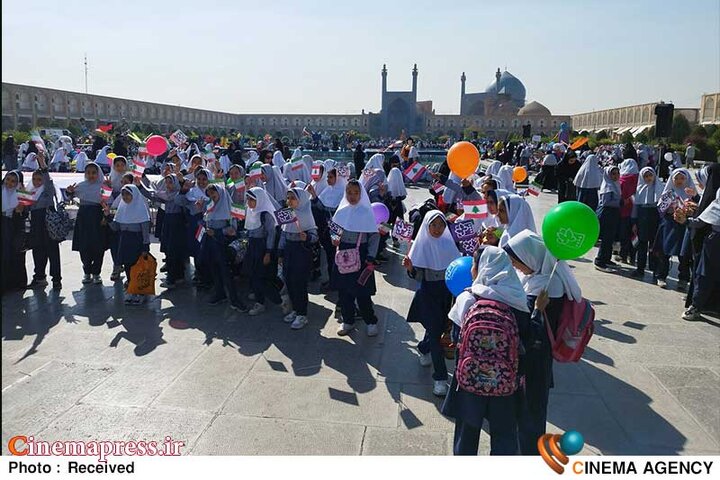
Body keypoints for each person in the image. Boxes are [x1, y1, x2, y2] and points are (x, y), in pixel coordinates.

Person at [442, 246, 530, 455]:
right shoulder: (518, 300)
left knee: (467, 434)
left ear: (479, 267)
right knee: (504, 435)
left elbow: (456, 338)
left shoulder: (468, 298)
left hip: (470, 381)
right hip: (506, 383)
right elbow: (524, 343)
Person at [503, 229, 582, 454]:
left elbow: (531, 326)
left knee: (532, 409)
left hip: (535, 357)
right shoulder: (536, 278)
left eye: (516, 261)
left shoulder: (548, 285)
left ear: (530, 257)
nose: (515, 266)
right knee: (528, 407)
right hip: (534, 354)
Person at [403, 211, 461, 396]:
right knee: (436, 334)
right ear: (427, 226)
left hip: (446, 296)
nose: (436, 229)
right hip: (428, 295)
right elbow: (418, 276)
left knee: (437, 330)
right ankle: (441, 378)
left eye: (440, 225)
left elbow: (456, 272)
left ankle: (423, 347)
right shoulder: (422, 244)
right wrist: (411, 268)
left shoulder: (448, 244)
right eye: (433, 225)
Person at [332, 180, 380, 337]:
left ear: (361, 194)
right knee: (344, 292)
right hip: (343, 254)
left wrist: (371, 256)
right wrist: (334, 239)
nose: (352, 196)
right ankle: (348, 320)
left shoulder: (366, 212)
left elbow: (374, 236)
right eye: (349, 193)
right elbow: (334, 229)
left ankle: (370, 321)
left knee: (362, 292)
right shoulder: (341, 211)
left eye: (355, 193)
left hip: (362, 254)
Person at [680, 164, 720, 320]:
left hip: (715, 240)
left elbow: (703, 220)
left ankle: (696, 307)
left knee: (705, 273)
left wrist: (685, 220)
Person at [136, 174, 188, 289]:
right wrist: (140, 186)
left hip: (177, 224)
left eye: (170, 182)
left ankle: (173, 278)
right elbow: (152, 194)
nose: (168, 185)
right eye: (167, 182)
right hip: (169, 222)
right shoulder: (166, 195)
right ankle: (177, 276)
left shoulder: (182, 194)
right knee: (170, 249)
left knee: (174, 250)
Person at [201, 184, 247, 313]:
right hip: (210, 244)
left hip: (222, 245)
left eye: (214, 195)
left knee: (226, 273)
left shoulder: (229, 208)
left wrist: (217, 232)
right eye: (209, 195)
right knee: (214, 270)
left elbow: (233, 229)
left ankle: (234, 299)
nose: (212, 197)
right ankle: (220, 294)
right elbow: (206, 221)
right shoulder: (210, 207)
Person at [279, 187, 318, 329]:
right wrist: (280, 253)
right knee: (289, 281)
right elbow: (283, 234)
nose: (289, 201)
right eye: (288, 198)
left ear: (300, 200)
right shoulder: (287, 214)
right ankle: (295, 309)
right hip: (289, 251)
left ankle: (302, 314)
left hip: (301, 253)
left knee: (299, 283)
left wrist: (307, 237)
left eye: (293, 198)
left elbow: (314, 236)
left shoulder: (306, 214)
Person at [105, 185, 151, 305]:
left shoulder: (141, 209)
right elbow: (115, 227)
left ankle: (141, 292)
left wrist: (145, 246)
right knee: (128, 267)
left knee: (138, 268)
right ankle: (131, 290)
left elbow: (145, 231)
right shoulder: (122, 208)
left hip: (137, 242)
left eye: (128, 194)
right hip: (124, 241)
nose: (125, 197)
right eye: (123, 194)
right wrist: (107, 216)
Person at [653, 169, 698, 289]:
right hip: (669, 224)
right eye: (676, 178)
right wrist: (670, 209)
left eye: (682, 178)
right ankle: (661, 276)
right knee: (664, 251)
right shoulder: (668, 192)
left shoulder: (691, 193)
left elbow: (698, 209)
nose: (679, 181)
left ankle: (683, 278)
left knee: (684, 254)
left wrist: (689, 210)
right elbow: (660, 210)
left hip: (685, 226)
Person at [65, 162, 108, 284]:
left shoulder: (103, 186)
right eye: (88, 173)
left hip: (97, 216)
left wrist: (105, 217)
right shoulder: (81, 186)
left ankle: (96, 273)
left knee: (98, 246)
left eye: (94, 173)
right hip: (83, 217)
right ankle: (87, 271)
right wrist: (69, 191)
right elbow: (69, 197)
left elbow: (108, 202)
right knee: (84, 246)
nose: (91, 175)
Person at [245, 187, 282, 316]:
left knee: (260, 276)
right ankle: (258, 295)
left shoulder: (265, 214)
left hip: (262, 248)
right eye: (248, 199)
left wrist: (268, 252)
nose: (249, 202)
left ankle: (268, 302)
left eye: (252, 199)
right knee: (252, 273)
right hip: (253, 246)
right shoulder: (251, 211)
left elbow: (271, 234)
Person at [27, 152, 62, 290]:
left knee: (53, 253)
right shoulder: (30, 193)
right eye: (34, 179)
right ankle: (39, 277)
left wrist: (42, 164)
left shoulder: (47, 192)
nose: (36, 182)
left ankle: (56, 279)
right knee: (38, 252)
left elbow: (48, 180)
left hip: (48, 226)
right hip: (36, 227)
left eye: (39, 179)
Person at [630, 167, 663, 278]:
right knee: (642, 245)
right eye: (646, 176)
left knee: (655, 246)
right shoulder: (640, 189)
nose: (649, 178)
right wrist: (634, 222)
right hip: (642, 219)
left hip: (655, 219)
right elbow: (636, 207)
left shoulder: (659, 187)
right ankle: (640, 269)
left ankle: (656, 272)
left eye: (650, 175)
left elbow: (663, 205)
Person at [2, 170, 28, 293]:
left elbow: (24, 213)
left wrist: (22, 195)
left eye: (13, 181)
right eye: (8, 180)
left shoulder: (21, 194)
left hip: (14, 228)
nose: (9, 183)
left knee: (12, 255)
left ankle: (14, 284)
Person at [594, 166, 622, 272]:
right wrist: (620, 202)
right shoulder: (607, 186)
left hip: (613, 213)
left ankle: (606, 259)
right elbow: (606, 202)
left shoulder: (615, 185)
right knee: (606, 238)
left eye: (617, 173)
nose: (616, 176)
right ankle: (600, 261)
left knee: (610, 238)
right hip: (607, 213)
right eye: (613, 174)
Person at [617, 157, 640, 264]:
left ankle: (623, 256)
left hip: (624, 212)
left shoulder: (621, 180)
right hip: (636, 212)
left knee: (624, 235)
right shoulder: (640, 179)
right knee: (634, 235)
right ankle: (633, 257)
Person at [386, 166, 407, 247]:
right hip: (398, 206)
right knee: (397, 223)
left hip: (388, 206)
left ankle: (384, 238)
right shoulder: (400, 182)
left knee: (387, 222)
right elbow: (403, 195)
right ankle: (395, 240)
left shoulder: (388, 182)